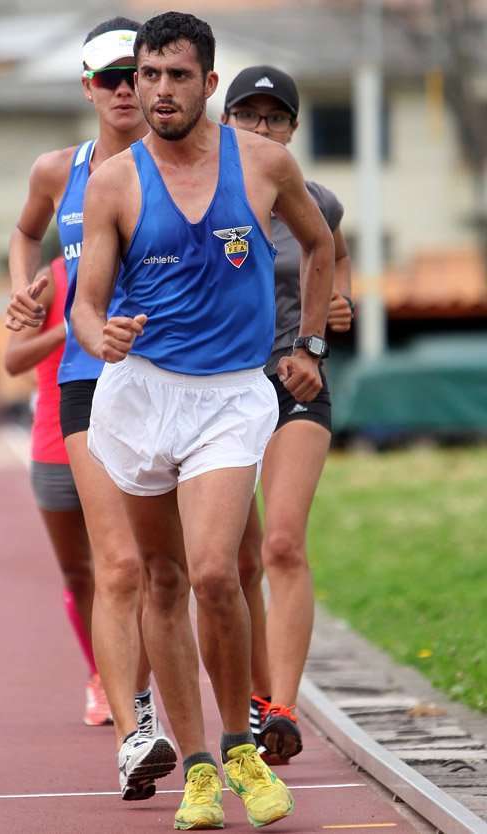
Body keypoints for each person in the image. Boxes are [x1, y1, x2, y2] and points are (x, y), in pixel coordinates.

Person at [71, 12, 335, 830]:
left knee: (218, 571)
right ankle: (193, 767)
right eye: (147, 76)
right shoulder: (115, 182)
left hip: (228, 395)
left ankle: (242, 749)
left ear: (208, 84)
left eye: (175, 76)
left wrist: (311, 342)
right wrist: (99, 334)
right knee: (160, 578)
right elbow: (87, 305)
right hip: (142, 393)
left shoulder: (262, 164)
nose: (156, 91)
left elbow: (322, 247)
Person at [5, 18, 176, 801]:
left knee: (177, 570)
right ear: (88, 87)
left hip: (173, 377)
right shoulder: (56, 170)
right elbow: (25, 232)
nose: (121, 90)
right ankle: (134, 728)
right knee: (117, 566)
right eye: (106, 77)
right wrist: (23, 285)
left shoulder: (184, 167)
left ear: (152, 81)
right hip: (85, 378)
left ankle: (209, 724)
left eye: (133, 75)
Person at [221, 66, 354, 765]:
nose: (262, 129)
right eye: (249, 115)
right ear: (226, 120)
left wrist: (331, 321)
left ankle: (283, 706)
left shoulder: (318, 200)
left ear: (293, 130)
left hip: (294, 381)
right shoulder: (202, 199)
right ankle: (249, 699)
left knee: (281, 545)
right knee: (233, 560)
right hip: (218, 391)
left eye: (275, 118)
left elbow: (332, 261)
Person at [5, 256, 113, 727]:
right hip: (54, 442)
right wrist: (69, 330)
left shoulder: (140, 258)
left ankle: (133, 682)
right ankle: (100, 677)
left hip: (120, 438)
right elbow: (13, 360)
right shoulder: (54, 277)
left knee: (128, 567)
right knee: (78, 572)